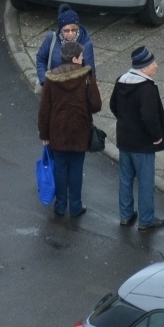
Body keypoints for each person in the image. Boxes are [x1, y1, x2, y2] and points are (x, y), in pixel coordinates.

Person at [37, 40, 101, 219]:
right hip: (80, 132)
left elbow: (44, 110)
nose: (83, 58)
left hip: (57, 133)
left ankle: (60, 206)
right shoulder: (86, 77)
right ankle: (75, 206)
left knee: (60, 169)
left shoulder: (51, 79)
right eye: (81, 56)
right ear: (74, 59)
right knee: (76, 170)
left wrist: (44, 134)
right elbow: (96, 105)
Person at [111, 46, 164, 231]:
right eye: (152, 63)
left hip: (124, 140)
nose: (156, 65)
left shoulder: (121, 81)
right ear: (143, 68)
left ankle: (126, 215)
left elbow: (113, 105)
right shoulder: (146, 88)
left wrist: (125, 122)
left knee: (125, 179)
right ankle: (146, 219)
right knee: (145, 182)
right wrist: (157, 137)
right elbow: (149, 117)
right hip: (143, 144)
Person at [35, 6, 95, 86]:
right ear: (60, 30)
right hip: (53, 86)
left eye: (74, 30)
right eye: (66, 31)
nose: (70, 33)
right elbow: (41, 59)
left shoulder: (86, 44)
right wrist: (44, 81)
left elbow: (90, 72)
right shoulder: (51, 39)